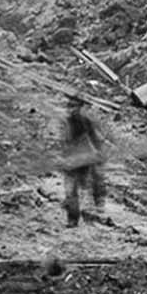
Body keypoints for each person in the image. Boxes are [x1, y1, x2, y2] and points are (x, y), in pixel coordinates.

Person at [61, 95, 106, 226]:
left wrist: (98, 152)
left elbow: (93, 137)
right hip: (71, 160)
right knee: (71, 190)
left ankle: (97, 204)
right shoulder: (66, 122)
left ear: (80, 108)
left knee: (89, 182)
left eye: (74, 106)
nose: (71, 109)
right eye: (70, 106)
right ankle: (73, 219)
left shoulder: (85, 121)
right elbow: (62, 141)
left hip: (83, 159)